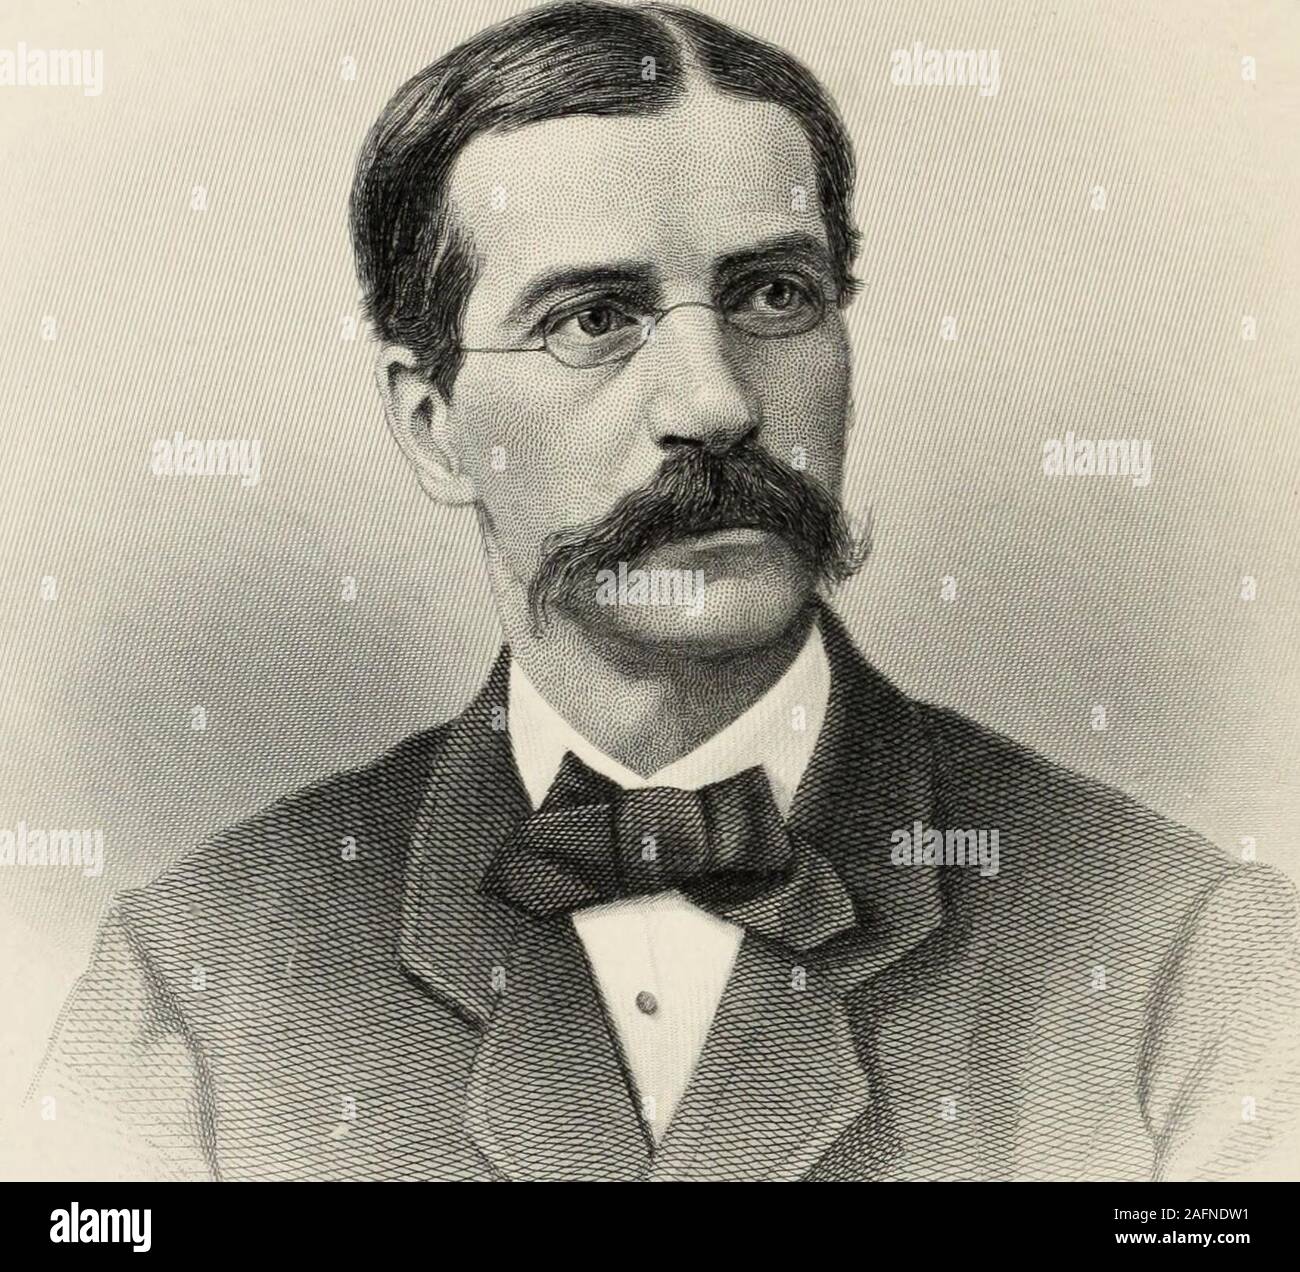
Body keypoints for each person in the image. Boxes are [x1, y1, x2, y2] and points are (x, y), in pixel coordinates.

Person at [25, 0, 1299, 1181]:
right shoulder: (197, 989)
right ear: (433, 427)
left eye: (774, 296)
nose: (716, 403)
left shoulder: (1181, 963)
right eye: (593, 319)